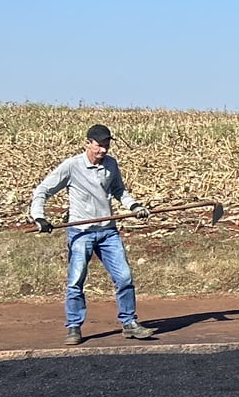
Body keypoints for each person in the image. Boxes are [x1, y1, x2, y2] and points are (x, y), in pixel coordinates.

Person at [30, 123, 155, 346]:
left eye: (106, 146)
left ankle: (129, 323)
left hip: (108, 232)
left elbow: (119, 191)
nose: (103, 151)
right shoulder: (72, 166)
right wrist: (39, 217)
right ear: (88, 143)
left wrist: (134, 206)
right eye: (99, 146)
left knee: (125, 278)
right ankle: (74, 327)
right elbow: (43, 190)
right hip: (81, 232)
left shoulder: (111, 165)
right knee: (76, 280)